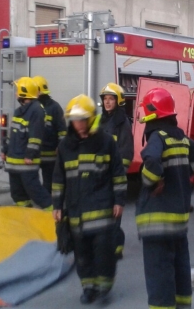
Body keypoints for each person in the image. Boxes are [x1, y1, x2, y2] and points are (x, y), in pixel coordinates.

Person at [137, 88, 194, 309]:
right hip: (178, 222)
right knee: (180, 270)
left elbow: (151, 161)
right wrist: (185, 172)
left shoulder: (157, 136)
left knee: (159, 276)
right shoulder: (181, 138)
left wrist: (151, 182)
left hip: (157, 224)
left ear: (152, 112)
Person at [52, 94, 126, 304]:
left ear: (92, 118)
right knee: (82, 255)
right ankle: (88, 287)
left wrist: (119, 201)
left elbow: (118, 174)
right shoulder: (65, 146)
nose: (79, 124)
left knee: (103, 253)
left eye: (82, 119)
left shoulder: (106, 142)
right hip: (76, 213)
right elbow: (58, 179)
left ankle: (104, 287)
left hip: (102, 210)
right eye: (75, 120)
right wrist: (57, 206)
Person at [0, 77, 51, 210]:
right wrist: (5, 150)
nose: (16, 93)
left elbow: (35, 137)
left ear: (24, 92)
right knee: (18, 194)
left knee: (35, 191)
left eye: (17, 90)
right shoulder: (19, 111)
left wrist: (30, 154)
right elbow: (13, 135)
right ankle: (24, 215)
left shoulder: (37, 111)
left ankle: (53, 212)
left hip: (25, 162)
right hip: (14, 161)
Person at [98, 82, 134, 260]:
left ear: (118, 101)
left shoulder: (122, 123)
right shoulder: (100, 120)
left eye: (111, 99)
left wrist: (120, 173)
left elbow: (126, 151)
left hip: (114, 175)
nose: (107, 102)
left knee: (114, 213)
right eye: (105, 99)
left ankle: (116, 247)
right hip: (100, 174)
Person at [32, 75, 67, 194]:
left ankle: (49, 201)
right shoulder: (32, 106)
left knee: (49, 182)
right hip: (34, 154)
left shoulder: (54, 107)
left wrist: (60, 147)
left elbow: (62, 130)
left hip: (50, 154)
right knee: (32, 182)